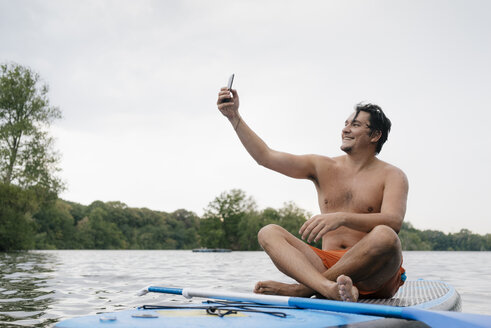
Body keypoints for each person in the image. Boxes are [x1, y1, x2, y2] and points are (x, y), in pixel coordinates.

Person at [216, 87, 408, 302]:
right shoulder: (322, 166)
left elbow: (393, 222)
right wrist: (234, 117)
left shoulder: (392, 175)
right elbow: (265, 156)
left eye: (355, 125)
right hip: (325, 265)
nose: (345, 130)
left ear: (375, 135)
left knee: (386, 235)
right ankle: (329, 288)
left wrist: (341, 217)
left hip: (374, 272)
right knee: (269, 232)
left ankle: (303, 290)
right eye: (345, 124)